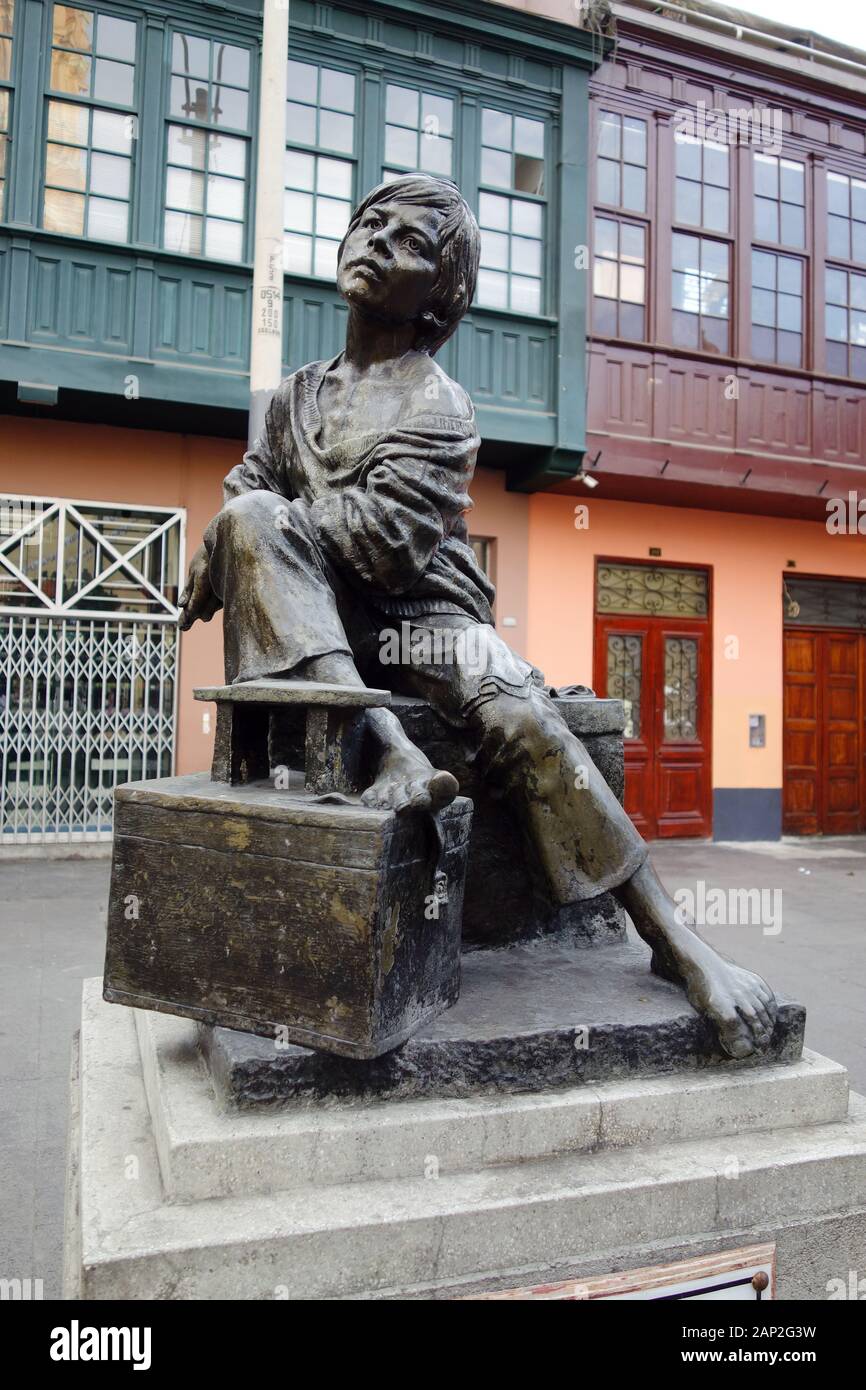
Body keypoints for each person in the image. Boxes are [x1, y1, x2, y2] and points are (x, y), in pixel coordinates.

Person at [179, 173, 776, 1060]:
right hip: (319, 612)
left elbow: (382, 544)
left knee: (523, 719)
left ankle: (673, 936)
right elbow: (249, 487)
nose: (378, 241)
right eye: (370, 223)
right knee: (251, 522)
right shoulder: (294, 396)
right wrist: (233, 539)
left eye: (410, 243)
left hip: (424, 612)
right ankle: (390, 746)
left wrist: (256, 535)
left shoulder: (438, 405)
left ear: (440, 296)